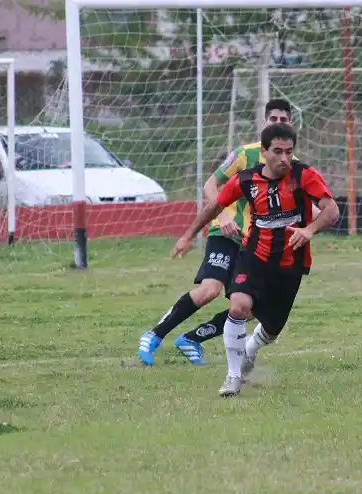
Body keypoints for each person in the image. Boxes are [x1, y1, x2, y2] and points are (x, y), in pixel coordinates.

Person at [138, 99, 318, 366]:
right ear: (264, 123)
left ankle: (192, 339)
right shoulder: (244, 154)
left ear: (290, 124)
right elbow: (211, 186)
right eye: (273, 119)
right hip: (227, 234)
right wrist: (222, 216)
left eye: (283, 120)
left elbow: (308, 207)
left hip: (258, 245)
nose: (278, 124)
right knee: (210, 290)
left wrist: (315, 222)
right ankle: (154, 335)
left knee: (253, 308)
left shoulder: (293, 166)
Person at [171, 123, 339, 397]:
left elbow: (331, 211)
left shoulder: (304, 175)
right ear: (264, 152)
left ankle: (250, 349)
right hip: (254, 255)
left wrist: (308, 230)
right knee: (239, 306)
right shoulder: (246, 180)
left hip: (289, 264)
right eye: (277, 152)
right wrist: (189, 235)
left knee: (271, 331)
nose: (284, 158)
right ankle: (233, 376)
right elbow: (215, 205)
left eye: (289, 151)